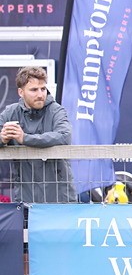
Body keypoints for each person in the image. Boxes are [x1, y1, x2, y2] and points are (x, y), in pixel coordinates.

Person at [0, 65, 76, 203]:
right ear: (20, 92)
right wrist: (2, 139)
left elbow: (65, 136)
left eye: (43, 89)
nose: (40, 94)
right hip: (26, 198)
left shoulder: (57, 110)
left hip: (60, 198)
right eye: (34, 90)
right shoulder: (10, 112)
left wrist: (25, 138)